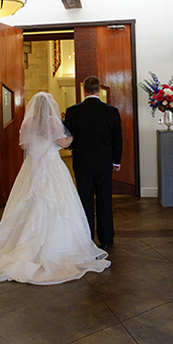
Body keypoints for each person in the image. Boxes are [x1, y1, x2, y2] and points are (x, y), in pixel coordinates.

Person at [0, 92, 110, 285]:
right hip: (52, 164)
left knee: (27, 200)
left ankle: (22, 242)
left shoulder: (28, 122)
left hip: (32, 166)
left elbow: (24, 145)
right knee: (59, 204)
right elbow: (62, 142)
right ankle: (59, 246)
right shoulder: (53, 121)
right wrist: (72, 138)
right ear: (49, 106)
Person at [64, 76, 122, 250]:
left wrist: (73, 146)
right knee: (105, 198)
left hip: (82, 161)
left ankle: (86, 237)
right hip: (104, 161)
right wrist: (116, 160)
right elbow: (117, 139)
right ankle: (106, 238)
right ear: (99, 90)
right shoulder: (111, 111)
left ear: (84, 90)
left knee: (85, 199)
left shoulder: (72, 111)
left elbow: (68, 138)